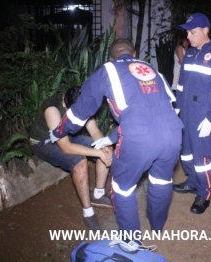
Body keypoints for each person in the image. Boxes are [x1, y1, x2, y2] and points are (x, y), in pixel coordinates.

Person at [50, 39, 183, 241]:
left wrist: (59, 131)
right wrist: (110, 138)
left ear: (110, 57)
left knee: (123, 188)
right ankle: (157, 226)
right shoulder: (151, 70)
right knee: (161, 180)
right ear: (135, 53)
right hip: (173, 133)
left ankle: (131, 241)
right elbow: (155, 111)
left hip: (138, 140)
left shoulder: (107, 70)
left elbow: (80, 112)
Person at [30, 86, 113, 232]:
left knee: (104, 146)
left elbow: (94, 131)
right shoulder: (53, 111)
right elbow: (66, 147)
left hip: (65, 137)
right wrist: (98, 154)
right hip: (44, 143)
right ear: (66, 107)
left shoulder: (82, 101)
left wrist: (103, 146)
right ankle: (88, 214)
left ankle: (99, 194)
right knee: (79, 162)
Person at [172, 13, 211, 215]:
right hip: (186, 112)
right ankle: (192, 182)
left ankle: (205, 193)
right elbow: (181, 84)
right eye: (187, 32)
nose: (188, 36)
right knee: (186, 152)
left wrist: (210, 117)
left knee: (202, 157)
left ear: (206, 30)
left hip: (203, 115)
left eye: (193, 31)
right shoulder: (189, 53)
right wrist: (177, 108)